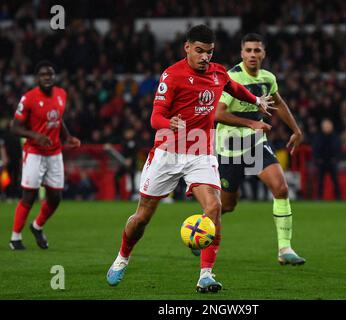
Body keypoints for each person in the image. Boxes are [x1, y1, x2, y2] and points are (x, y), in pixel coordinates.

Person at [106, 25, 274, 293]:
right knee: (142, 217)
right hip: (168, 152)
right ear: (187, 47)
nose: (205, 57)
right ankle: (122, 257)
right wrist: (168, 122)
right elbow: (154, 117)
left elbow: (233, 87)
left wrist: (256, 100)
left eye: (209, 52)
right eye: (199, 51)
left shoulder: (218, 72)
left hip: (201, 153)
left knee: (214, 207)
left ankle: (206, 275)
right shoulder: (172, 76)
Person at [214, 33, 306, 266]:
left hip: (255, 143)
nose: (253, 55)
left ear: (264, 54)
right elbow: (218, 114)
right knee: (227, 205)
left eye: (257, 50)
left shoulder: (267, 78)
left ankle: (285, 249)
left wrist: (296, 129)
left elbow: (279, 103)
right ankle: (202, 229)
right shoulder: (231, 78)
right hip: (229, 147)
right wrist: (251, 123)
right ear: (241, 53)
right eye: (248, 51)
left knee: (281, 188)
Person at [9, 60, 81, 250]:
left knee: (55, 197)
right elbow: (14, 127)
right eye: (43, 75)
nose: (47, 78)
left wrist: (68, 137)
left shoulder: (61, 94)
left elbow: (58, 119)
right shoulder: (28, 98)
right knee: (29, 195)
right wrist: (35, 136)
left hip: (55, 152)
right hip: (34, 152)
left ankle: (37, 226)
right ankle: (15, 238)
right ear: (37, 78)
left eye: (50, 74)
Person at [312, 118, 342, 200]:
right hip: (322, 162)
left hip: (332, 161)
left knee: (335, 181)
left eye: (328, 125)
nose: (327, 127)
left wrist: (336, 159)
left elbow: (339, 149)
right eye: (326, 126)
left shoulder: (335, 137)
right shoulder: (319, 137)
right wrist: (317, 159)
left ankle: (338, 197)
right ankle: (319, 197)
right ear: (322, 127)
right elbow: (315, 149)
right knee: (320, 181)